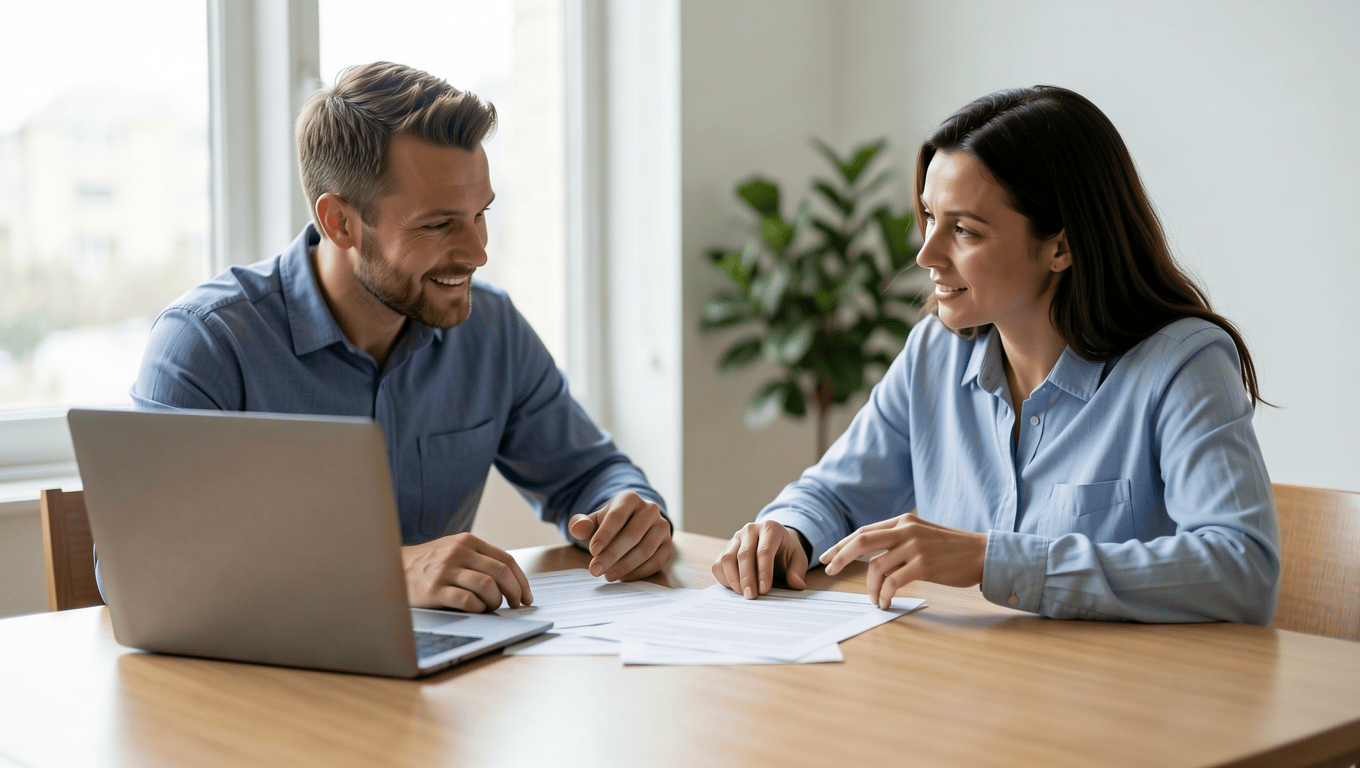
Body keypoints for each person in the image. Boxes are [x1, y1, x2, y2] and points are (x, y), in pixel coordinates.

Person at [711, 85, 1280, 624]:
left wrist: (992, 560)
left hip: (1118, 690)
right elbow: (834, 493)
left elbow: (1242, 569)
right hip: (963, 683)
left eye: (964, 230)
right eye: (929, 217)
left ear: (1061, 246)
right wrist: (787, 530)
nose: (926, 254)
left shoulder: (1184, 365)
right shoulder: (934, 354)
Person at [131, 62, 673, 613]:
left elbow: (590, 472)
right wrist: (384, 572)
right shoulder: (206, 343)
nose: (478, 252)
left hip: (454, 661)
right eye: (438, 225)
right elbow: (144, 568)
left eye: (480, 213)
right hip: (263, 664)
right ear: (340, 222)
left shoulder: (492, 329)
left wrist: (627, 513)